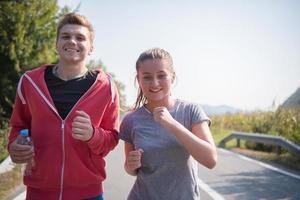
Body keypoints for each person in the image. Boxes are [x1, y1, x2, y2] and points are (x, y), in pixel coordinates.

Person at [7, 13, 119, 200]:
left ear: (90, 48)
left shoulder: (106, 87)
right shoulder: (29, 82)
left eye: (80, 38)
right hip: (39, 193)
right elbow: (18, 126)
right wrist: (14, 146)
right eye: (66, 36)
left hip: (88, 194)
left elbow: (112, 140)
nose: (73, 41)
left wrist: (92, 134)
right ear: (56, 44)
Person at [119, 48, 218, 200]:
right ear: (138, 80)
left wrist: (173, 124)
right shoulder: (131, 120)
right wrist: (130, 166)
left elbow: (210, 160)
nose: (155, 83)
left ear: (172, 77)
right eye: (147, 77)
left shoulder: (191, 111)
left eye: (161, 75)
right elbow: (131, 170)